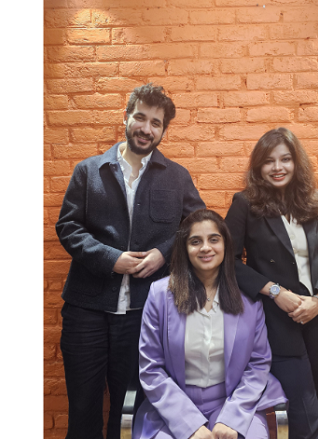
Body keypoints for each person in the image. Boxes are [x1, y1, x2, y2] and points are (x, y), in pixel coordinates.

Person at [56, 83, 205, 439]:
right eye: (140, 117)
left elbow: (198, 226)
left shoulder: (177, 177)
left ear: (164, 130)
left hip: (144, 315)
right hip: (85, 311)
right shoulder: (88, 171)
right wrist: (111, 259)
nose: (146, 128)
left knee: (130, 411)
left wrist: (164, 253)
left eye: (156, 123)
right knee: (82, 409)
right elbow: (68, 227)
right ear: (125, 117)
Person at [224, 128, 318, 439]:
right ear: (258, 166)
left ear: (296, 163)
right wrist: (275, 291)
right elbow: (227, 261)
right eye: (269, 161)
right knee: (303, 415)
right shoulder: (245, 204)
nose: (277, 167)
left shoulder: (313, 201)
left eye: (285, 159)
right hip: (278, 322)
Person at [133, 209, 287, 439]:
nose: (206, 248)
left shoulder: (249, 298)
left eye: (214, 239)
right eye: (196, 241)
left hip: (235, 402)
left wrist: (231, 419)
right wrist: (189, 425)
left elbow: (258, 364)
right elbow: (151, 369)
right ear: (185, 248)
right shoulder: (160, 295)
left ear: (225, 245)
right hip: (173, 407)